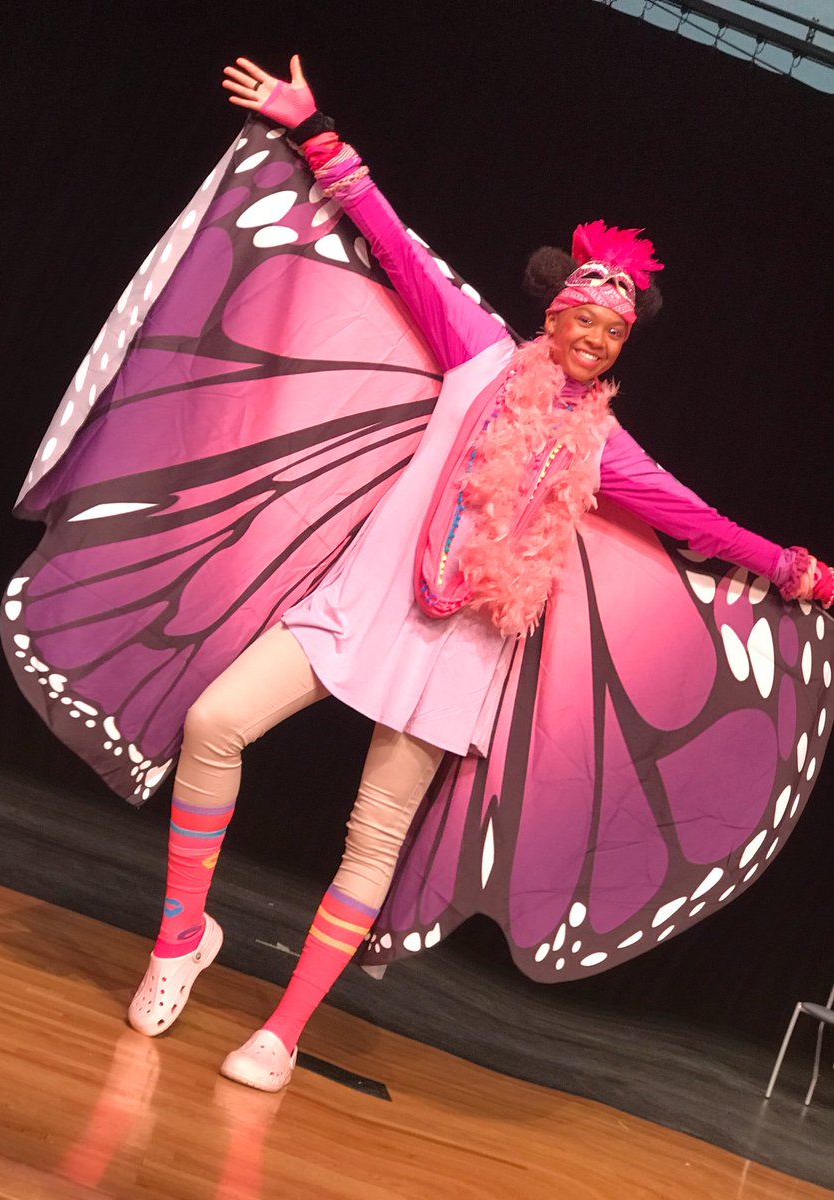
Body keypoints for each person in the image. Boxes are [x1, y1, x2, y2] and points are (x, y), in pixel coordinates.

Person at [116, 55, 834, 1092]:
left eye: (609, 332)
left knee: (373, 839)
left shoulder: (607, 450)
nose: (588, 338)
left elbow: (699, 522)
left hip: (457, 652)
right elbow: (396, 246)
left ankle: (279, 1034)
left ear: (621, 346)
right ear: (551, 315)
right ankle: (180, 936)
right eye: (578, 319)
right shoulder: (477, 356)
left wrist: (803, 575)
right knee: (213, 724)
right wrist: (313, 129)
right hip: (361, 607)